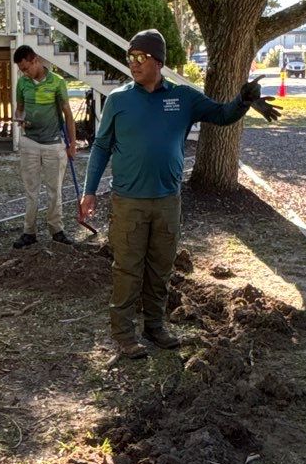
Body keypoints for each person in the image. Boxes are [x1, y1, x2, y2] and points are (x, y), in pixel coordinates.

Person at [77, 29, 280, 359]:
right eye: (130, 57)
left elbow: (221, 114)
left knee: (161, 266)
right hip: (128, 201)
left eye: (140, 57)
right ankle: (124, 333)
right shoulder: (119, 100)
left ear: (158, 61)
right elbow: (101, 147)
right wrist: (89, 192)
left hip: (168, 201)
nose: (133, 63)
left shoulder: (184, 98)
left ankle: (155, 327)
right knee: (128, 268)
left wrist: (243, 101)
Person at [11, 43, 77, 247]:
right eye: (22, 70)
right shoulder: (23, 83)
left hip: (53, 145)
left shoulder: (57, 82)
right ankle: (29, 232)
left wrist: (72, 144)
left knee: (54, 190)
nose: (25, 73)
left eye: (26, 68)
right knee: (31, 191)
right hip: (29, 143)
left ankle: (56, 230)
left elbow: (67, 114)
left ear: (35, 60)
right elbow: (19, 110)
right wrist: (20, 119)